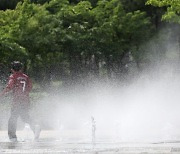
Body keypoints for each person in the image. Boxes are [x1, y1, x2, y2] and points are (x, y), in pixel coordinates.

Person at [0, 61, 41, 142]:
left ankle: (13, 138)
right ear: (21, 68)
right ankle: (35, 126)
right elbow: (29, 87)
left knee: (12, 119)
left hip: (17, 101)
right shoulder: (26, 77)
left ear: (12, 69)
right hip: (25, 100)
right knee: (24, 116)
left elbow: (10, 86)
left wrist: (2, 94)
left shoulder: (13, 76)